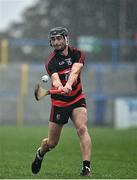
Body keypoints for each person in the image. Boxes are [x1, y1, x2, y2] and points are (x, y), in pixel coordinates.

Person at [31, 27, 92, 176]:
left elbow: (76, 71)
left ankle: (86, 167)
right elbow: (55, 80)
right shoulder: (51, 62)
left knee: (82, 128)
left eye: (59, 38)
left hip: (77, 98)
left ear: (66, 39)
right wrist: (60, 87)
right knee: (52, 143)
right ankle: (40, 153)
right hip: (60, 103)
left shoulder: (78, 54)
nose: (56, 42)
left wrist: (69, 85)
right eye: (53, 40)